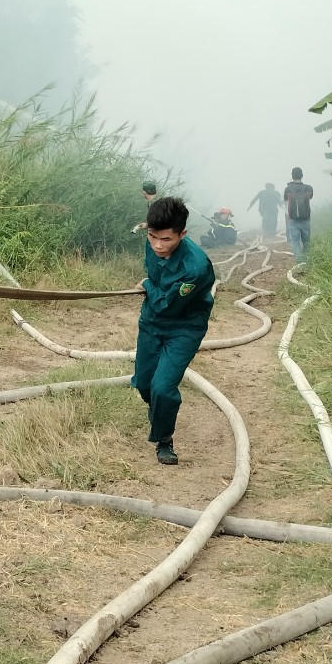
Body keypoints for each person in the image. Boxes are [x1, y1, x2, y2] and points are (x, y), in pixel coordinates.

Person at [132, 197, 215, 465]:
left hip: (184, 327)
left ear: (183, 234)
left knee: (163, 387)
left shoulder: (195, 268)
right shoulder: (153, 241)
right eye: (152, 237)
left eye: (166, 239)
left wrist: (147, 285)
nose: (157, 245)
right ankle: (158, 410)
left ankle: (164, 439)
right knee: (144, 384)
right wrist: (151, 285)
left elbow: (166, 304)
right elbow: (155, 279)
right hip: (151, 323)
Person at [284, 167, 314, 261]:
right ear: (302, 175)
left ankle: (299, 261)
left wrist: (287, 219)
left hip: (293, 220)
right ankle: (307, 259)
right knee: (306, 241)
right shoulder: (308, 188)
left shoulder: (288, 189)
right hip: (306, 219)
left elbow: (286, 203)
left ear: (292, 176)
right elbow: (310, 197)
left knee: (295, 241)